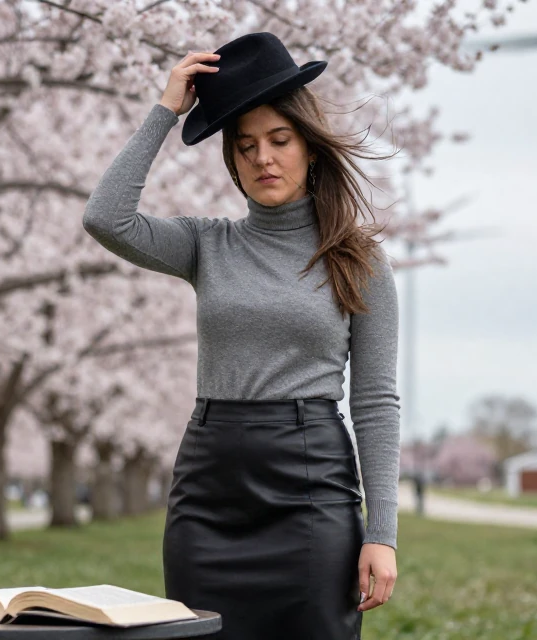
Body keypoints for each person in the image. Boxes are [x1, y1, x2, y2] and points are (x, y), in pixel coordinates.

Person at [83, 32, 400, 639]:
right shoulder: (208, 244)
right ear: (231, 161)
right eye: (246, 146)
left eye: (279, 140)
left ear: (309, 146)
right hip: (209, 489)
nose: (264, 159)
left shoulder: (357, 259)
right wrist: (164, 112)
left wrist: (380, 533)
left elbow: (376, 402)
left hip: (310, 487)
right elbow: (106, 217)